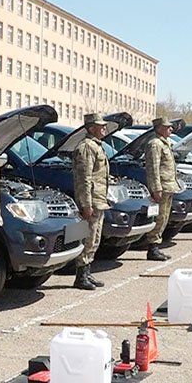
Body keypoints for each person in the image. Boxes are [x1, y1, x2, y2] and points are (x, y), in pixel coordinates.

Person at [71, 113, 111, 290]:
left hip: (99, 199)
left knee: (94, 238)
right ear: (91, 128)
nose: (104, 128)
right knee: (87, 237)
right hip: (92, 200)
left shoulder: (97, 146)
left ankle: (87, 271)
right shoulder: (87, 146)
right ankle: (80, 276)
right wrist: (85, 204)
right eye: (100, 125)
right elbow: (84, 178)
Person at [141, 117, 181, 260]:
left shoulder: (165, 143)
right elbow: (153, 168)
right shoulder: (155, 144)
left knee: (164, 217)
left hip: (169, 186)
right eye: (167, 126)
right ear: (159, 128)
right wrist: (156, 188)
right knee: (159, 217)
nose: (171, 128)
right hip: (162, 187)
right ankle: (152, 247)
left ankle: (156, 245)